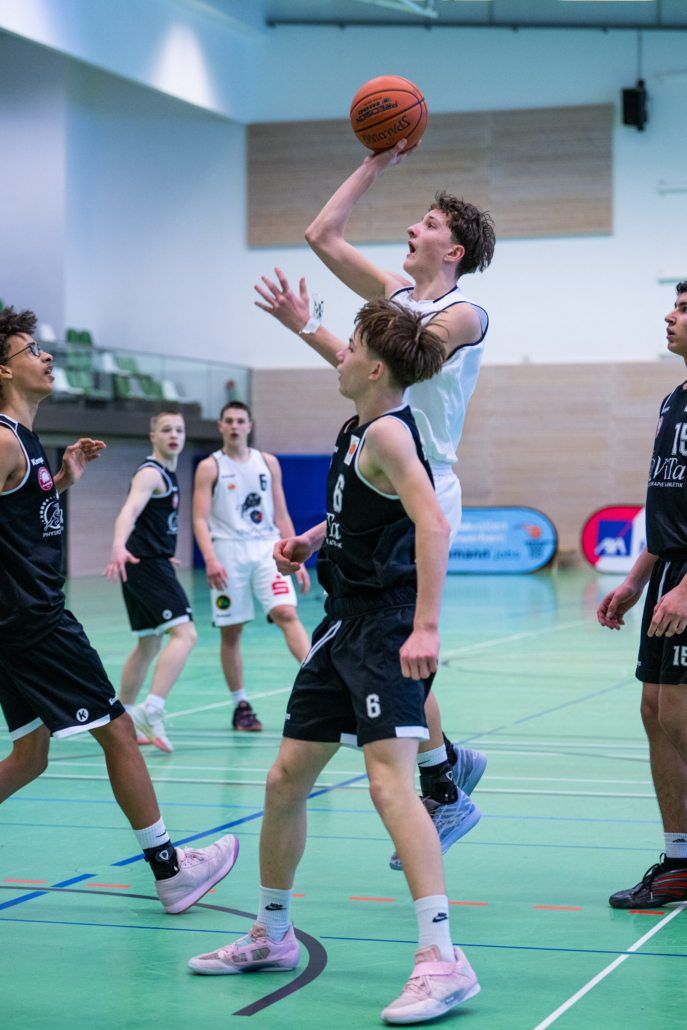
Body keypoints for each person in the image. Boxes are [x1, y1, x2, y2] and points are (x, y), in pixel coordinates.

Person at [188, 299, 481, 1024]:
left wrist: (425, 628)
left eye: (349, 346)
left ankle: (443, 959)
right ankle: (273, 933)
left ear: (375, 368)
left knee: (390, 786)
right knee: (285, 777)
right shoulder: (358, 429)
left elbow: (432, 523)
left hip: (385, 627)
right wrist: (313, 540)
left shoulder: (389, 432)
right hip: (342, 623)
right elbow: (369, 508)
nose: (339, 356)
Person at [253, 143, 495, 868]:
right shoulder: (394, 296)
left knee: (397, 642)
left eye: (427, 224)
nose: (412, 229)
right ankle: (447, 768)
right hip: (378, 464)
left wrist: (309, 328)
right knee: (379, 641)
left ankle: (442, 783)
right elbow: (321, 236)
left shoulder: (464, 314)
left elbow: (397, 365)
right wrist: (373, 163)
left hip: (426, 477)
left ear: (453, 249)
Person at [0, 307, 238, 913]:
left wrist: (62, 479)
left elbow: (14, 514)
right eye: (30, 350)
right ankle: (171, 871)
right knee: (121, 732)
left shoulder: (24, 441)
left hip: (19, 622)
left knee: (30, 757)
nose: (46, 356)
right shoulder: (1, 439)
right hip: (34, 621)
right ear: (3, 370)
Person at [598, 281, 687, 909]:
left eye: (684, 308)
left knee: (680, 715)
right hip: (667, 571)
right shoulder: (674, 398)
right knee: (655, 711)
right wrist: (636, 578)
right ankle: (679, 862)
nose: (670, 315)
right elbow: (669, 502)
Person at [193, 401, 311, 732]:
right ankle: (241, 705)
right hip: (227, 552)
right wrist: (210, 558)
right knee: (232, 631)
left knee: (287, 613)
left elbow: (281, 513)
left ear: (249, 425)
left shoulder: (268, 462)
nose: (234, 426)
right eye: (229, 421)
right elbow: (199, 519)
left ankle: (319, 680)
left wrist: (296, 554)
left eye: (240, 420)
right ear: (221, 426)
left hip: (267, 549)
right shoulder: (210, 467)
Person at [104, 410, 196, 754]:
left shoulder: (168, 474)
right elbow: (129, 511)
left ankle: (123, 718)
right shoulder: (151, 473)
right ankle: (151, 709)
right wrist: (118, 544)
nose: (174, 435)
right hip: (144, 565)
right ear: (153, 436)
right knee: (186, 634)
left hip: (149, 562)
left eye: (179, 430)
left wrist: (161, 550)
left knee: (148, 644)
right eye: (166, 429)